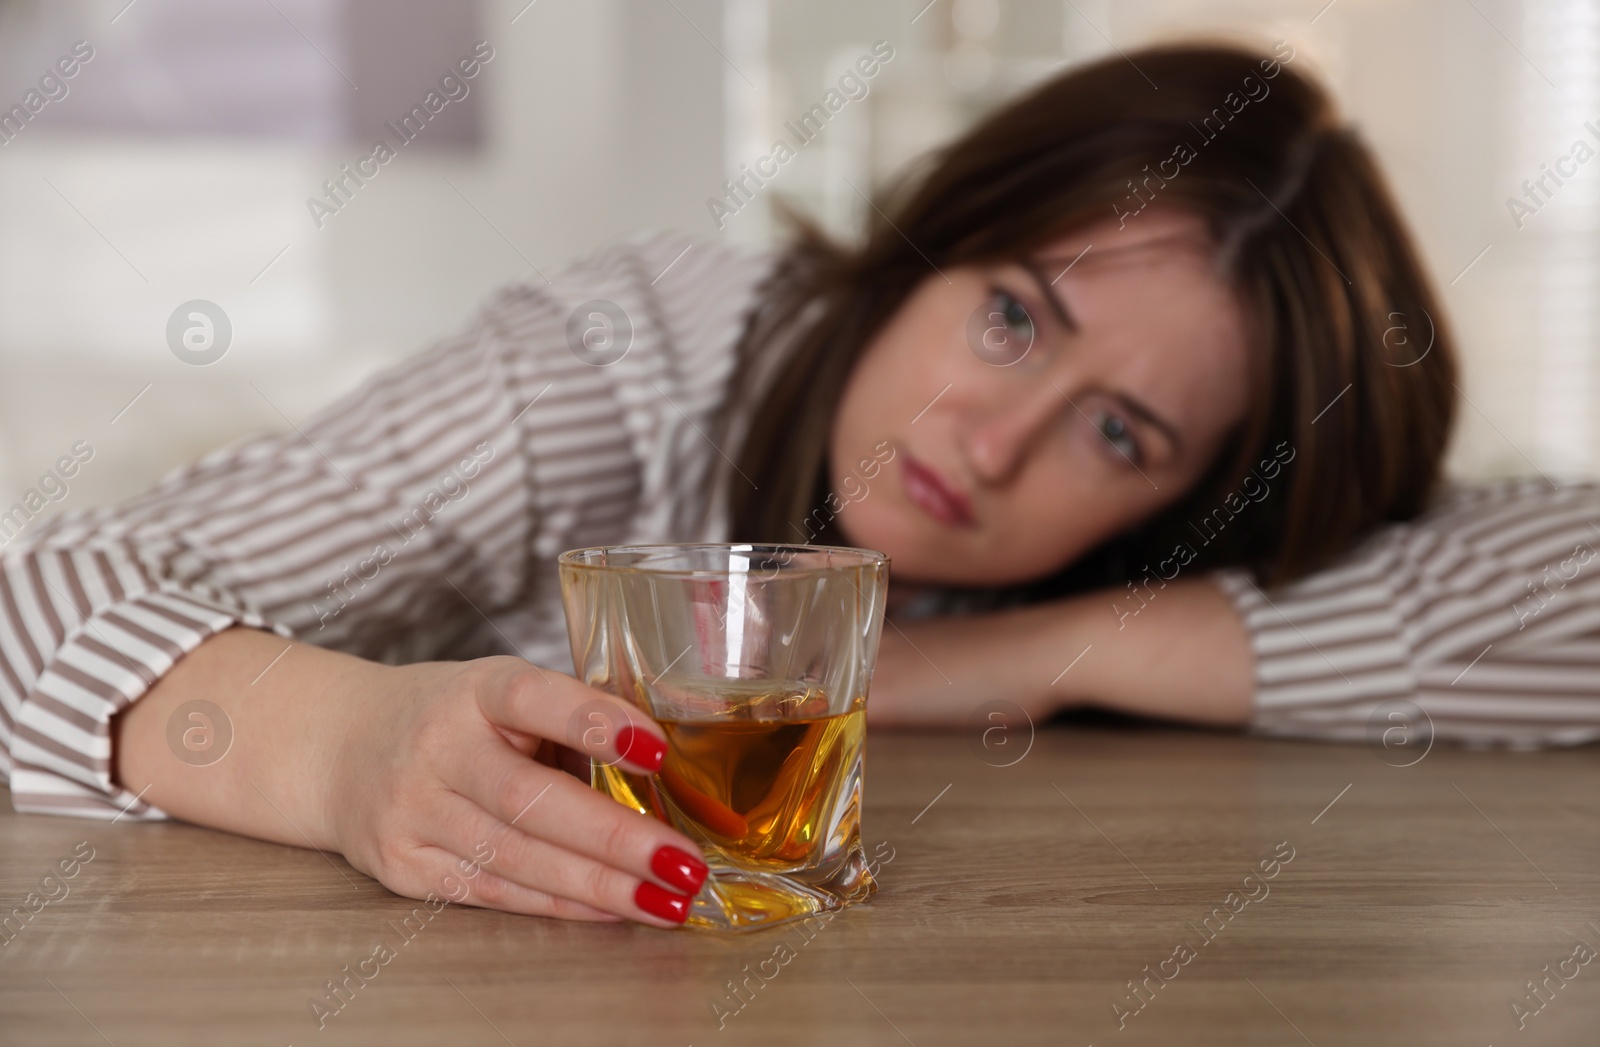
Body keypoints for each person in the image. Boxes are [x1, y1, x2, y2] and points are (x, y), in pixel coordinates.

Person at [1, 43, 1595, 928]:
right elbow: (35, 602)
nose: (991, 440)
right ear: (937, 230)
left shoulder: (1135, 572)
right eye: (1013, 316)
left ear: (1181, 507)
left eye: (1122, 436)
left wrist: (1008, 656)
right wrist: (349, 750)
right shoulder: (625, 363)